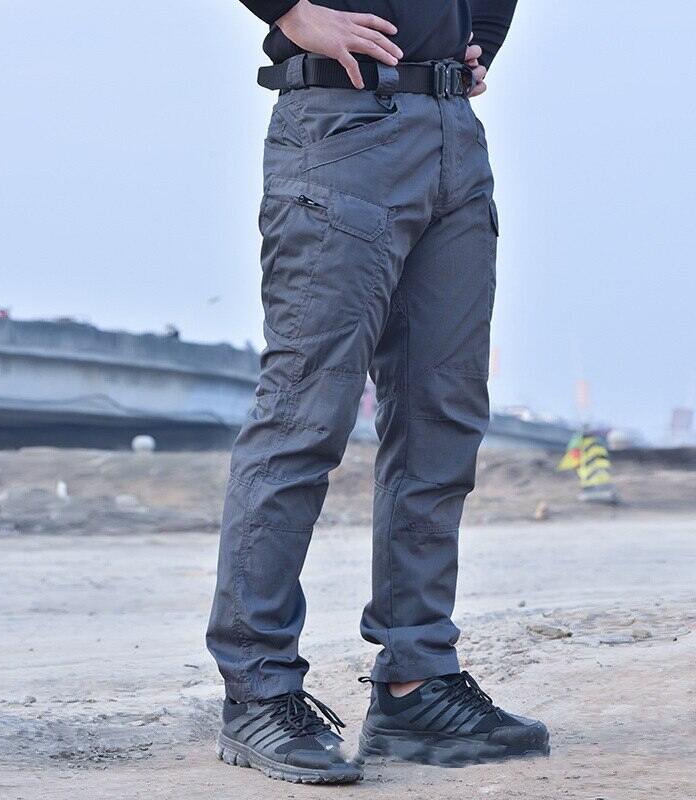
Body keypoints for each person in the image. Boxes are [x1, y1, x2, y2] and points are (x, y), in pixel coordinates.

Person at [207, 0, 549, 783]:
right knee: (304, 416)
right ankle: (256, 689)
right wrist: (291, 11)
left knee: (442, 418)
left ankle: (415, 681)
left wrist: (482, 37)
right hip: (342, 127)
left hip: (453, 134)